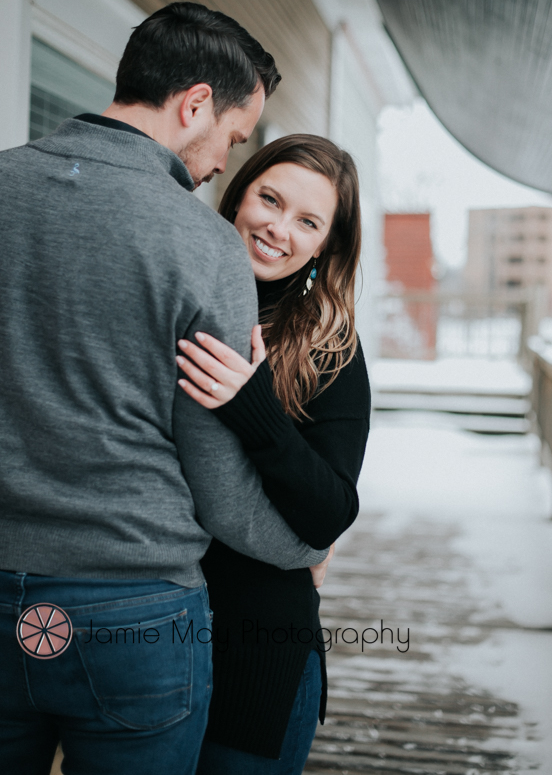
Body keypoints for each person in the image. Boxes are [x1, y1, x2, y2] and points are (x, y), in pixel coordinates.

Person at [0, 3, 329, 775]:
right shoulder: (202, 243)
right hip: (130, 614)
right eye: (233, 138)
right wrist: (303, 543)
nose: (217, 164)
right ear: (195, 103)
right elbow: (216, 483)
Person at [176, 134, 372, 774]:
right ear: (238, 194)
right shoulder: (174, 287)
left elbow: (329, 512)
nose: (277, 229)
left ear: (326, 245)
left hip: (260, 650)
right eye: (270, 198)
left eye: (308, 221)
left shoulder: (329, 346)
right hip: (138, 633)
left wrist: (253, 405)